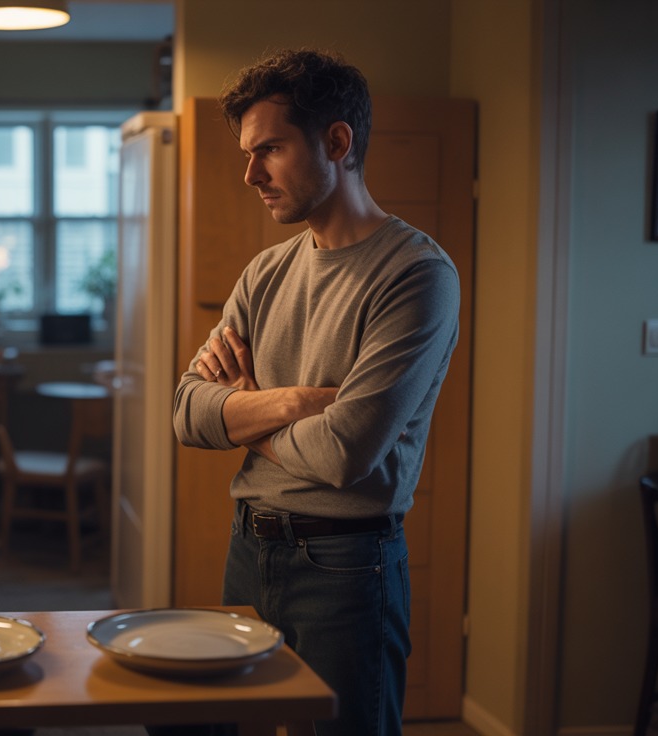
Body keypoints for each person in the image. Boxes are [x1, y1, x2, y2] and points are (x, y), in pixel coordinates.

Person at [170, 49, 460, 736]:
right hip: (248, 549)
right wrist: (301, 402)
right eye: (248, 154)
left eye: (269, 150)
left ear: (336, 142)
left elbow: (343, 454)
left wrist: (244, 411)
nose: (250, 174)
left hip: (348, 567)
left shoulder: (417, 274)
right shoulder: (265, 272)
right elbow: (187, 413)